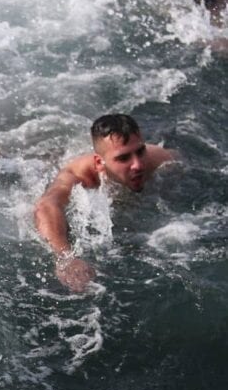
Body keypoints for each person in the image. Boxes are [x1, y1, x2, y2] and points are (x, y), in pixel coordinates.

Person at [33, 114, 176, 292]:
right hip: (50, 164)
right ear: (99, 163)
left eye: (140, 151)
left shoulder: (159, 160)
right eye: (123, 158)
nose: (138, 165)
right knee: (36, 164)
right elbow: (46, 206)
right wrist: (65, 257)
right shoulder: (79, 176)